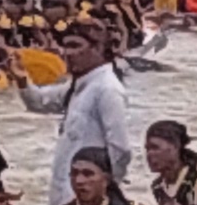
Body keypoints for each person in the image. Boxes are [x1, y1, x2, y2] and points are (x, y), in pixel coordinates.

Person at [46, 21, 140, 193]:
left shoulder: (107, 89)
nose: (68, 53)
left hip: (88, 195)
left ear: (97, 48)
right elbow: (41, 102)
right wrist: (22, 80)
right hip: (64, 189)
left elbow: (121, 148)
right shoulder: (77, 86)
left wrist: (107, 188)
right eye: (65, 46)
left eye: (75, 46)